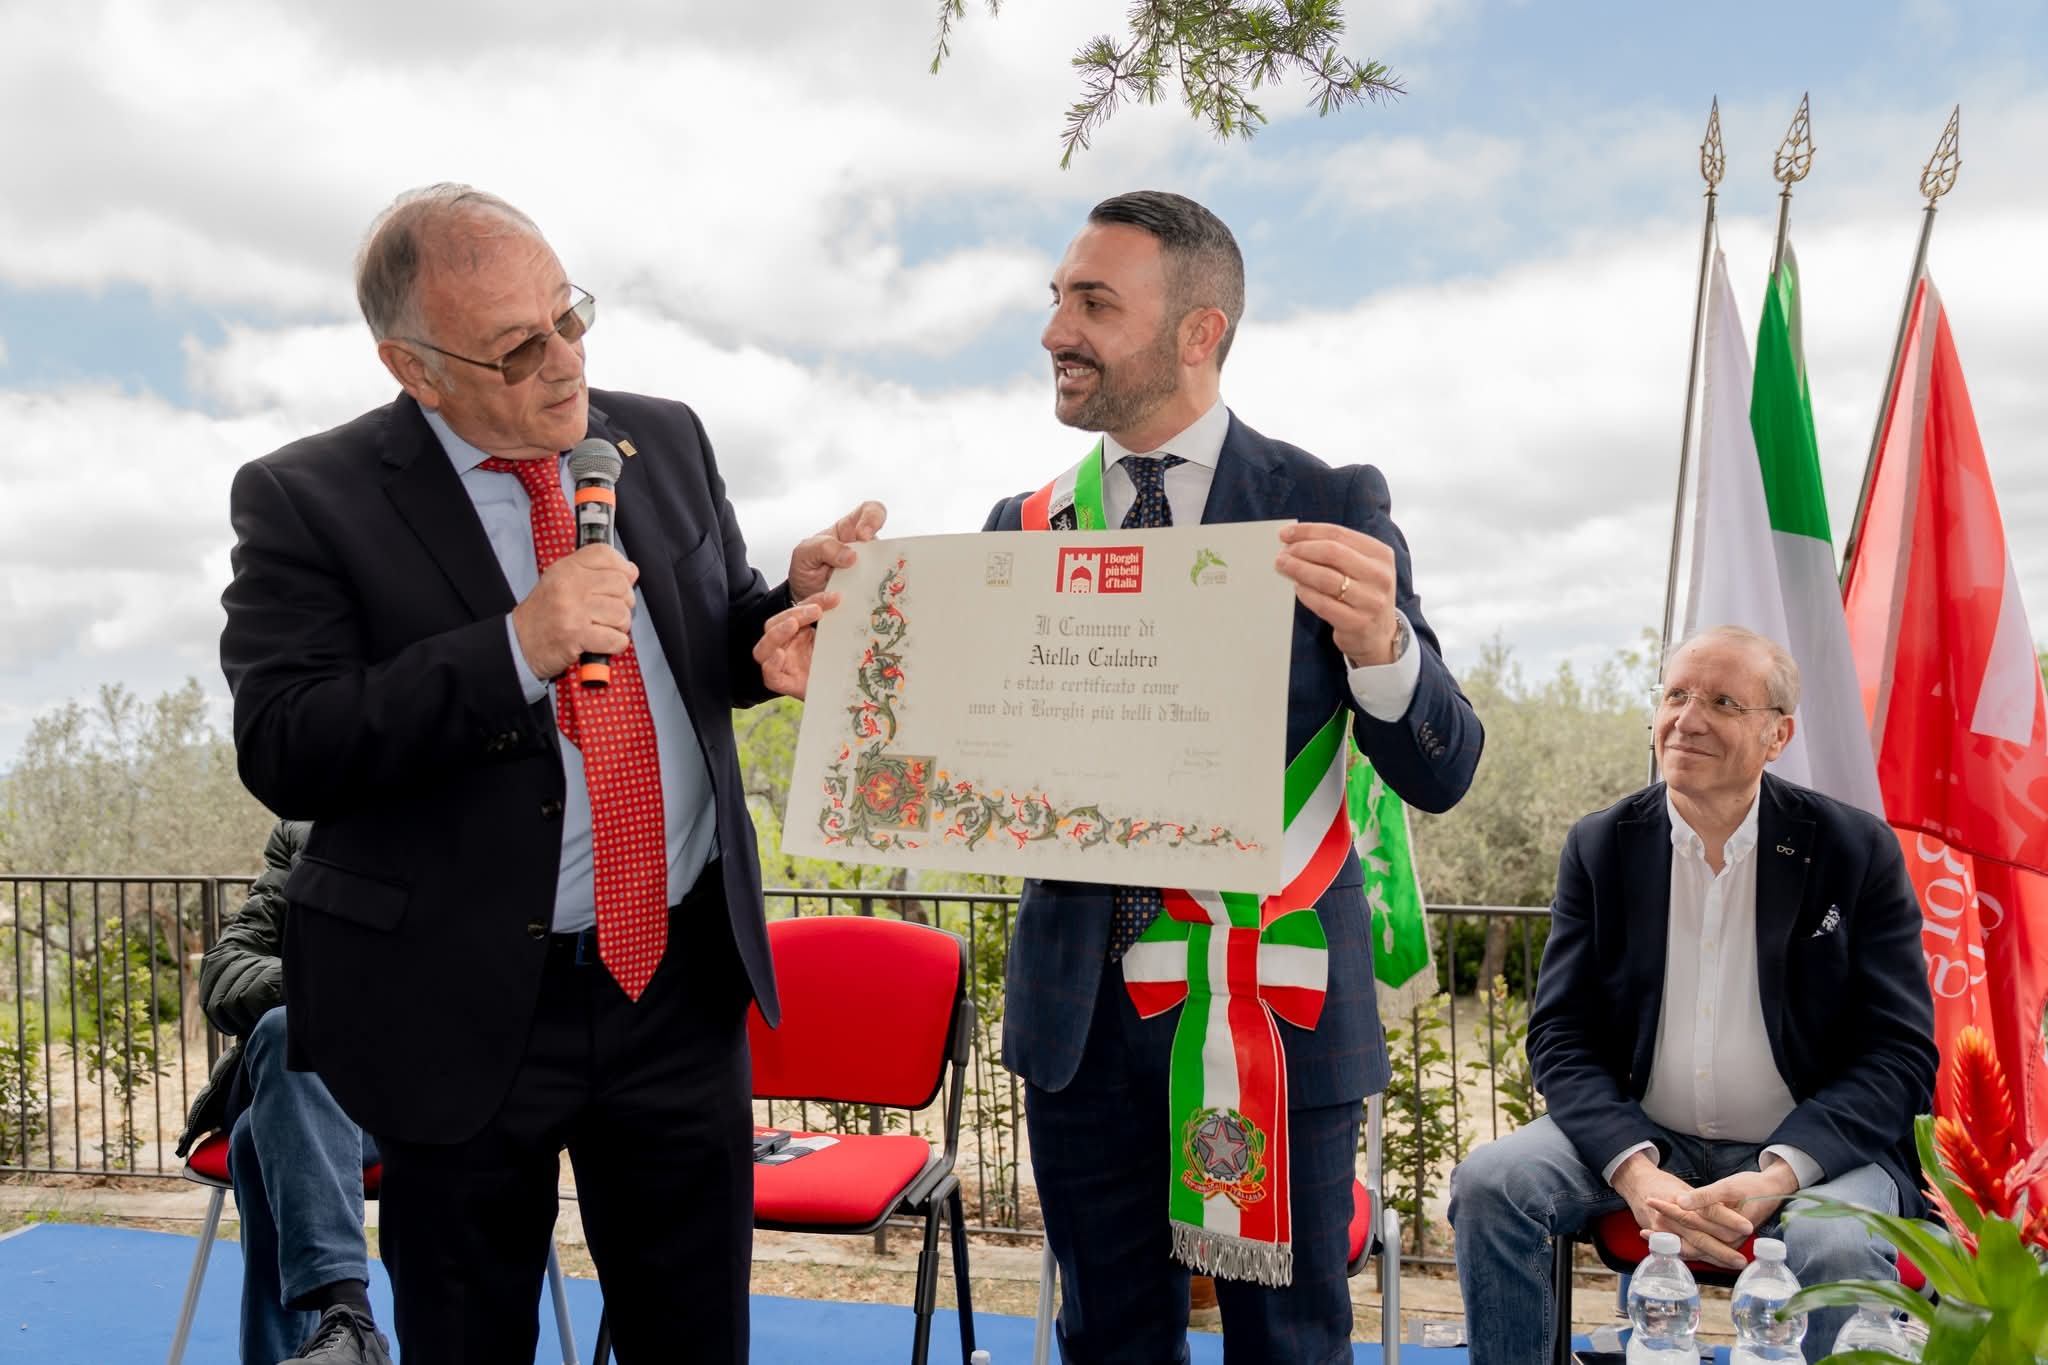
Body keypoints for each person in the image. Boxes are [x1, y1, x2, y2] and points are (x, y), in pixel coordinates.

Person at [759, 189, 1482, 1360]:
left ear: (1198, 331)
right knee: (1103, 1341)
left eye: (1093, 303)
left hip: (1274, 1009)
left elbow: (1444, 768)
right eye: (1055, 299)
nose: (1055, 330)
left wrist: (1382, 650)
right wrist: (842, 671)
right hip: (1077, 1020)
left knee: (1288, 1346)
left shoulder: (1325, 503)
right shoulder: (1019, 526)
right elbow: (956, 754)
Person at [219, 184, 880, 1363]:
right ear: (412, 369)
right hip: (460, 1004)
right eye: (518, 347)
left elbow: (703, 637)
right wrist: (513, 649)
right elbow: (286, 741)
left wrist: (777, 622)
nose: (565, 361)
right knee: (468, 1337)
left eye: (569, 317)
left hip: (675, 983)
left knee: (694, 1339)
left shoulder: (660, 436)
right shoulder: (305, 498)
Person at [1447, 625, 1939, 1363]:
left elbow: (1900, 1054)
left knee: (1833, 1240)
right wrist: (1636, 1170)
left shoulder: (1854, 849)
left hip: (1814, 1153)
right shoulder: (1601, 845)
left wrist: (1780, 1175)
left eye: (1721, 700)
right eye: (1675, 693)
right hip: (1646, 1134)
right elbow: (1560, 1036)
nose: (1688, 717)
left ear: (1778, 734)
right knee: (1491, 1183)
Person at [176, 820, 387, 1365]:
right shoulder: (304, 836)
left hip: (404, 1094)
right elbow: (223, 971)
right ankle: (349, 1322)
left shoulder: (463, 826)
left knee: (255, 1140)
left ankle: (346, 1326)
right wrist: (327, 991)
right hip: (294, 1071)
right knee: (285, 1030)